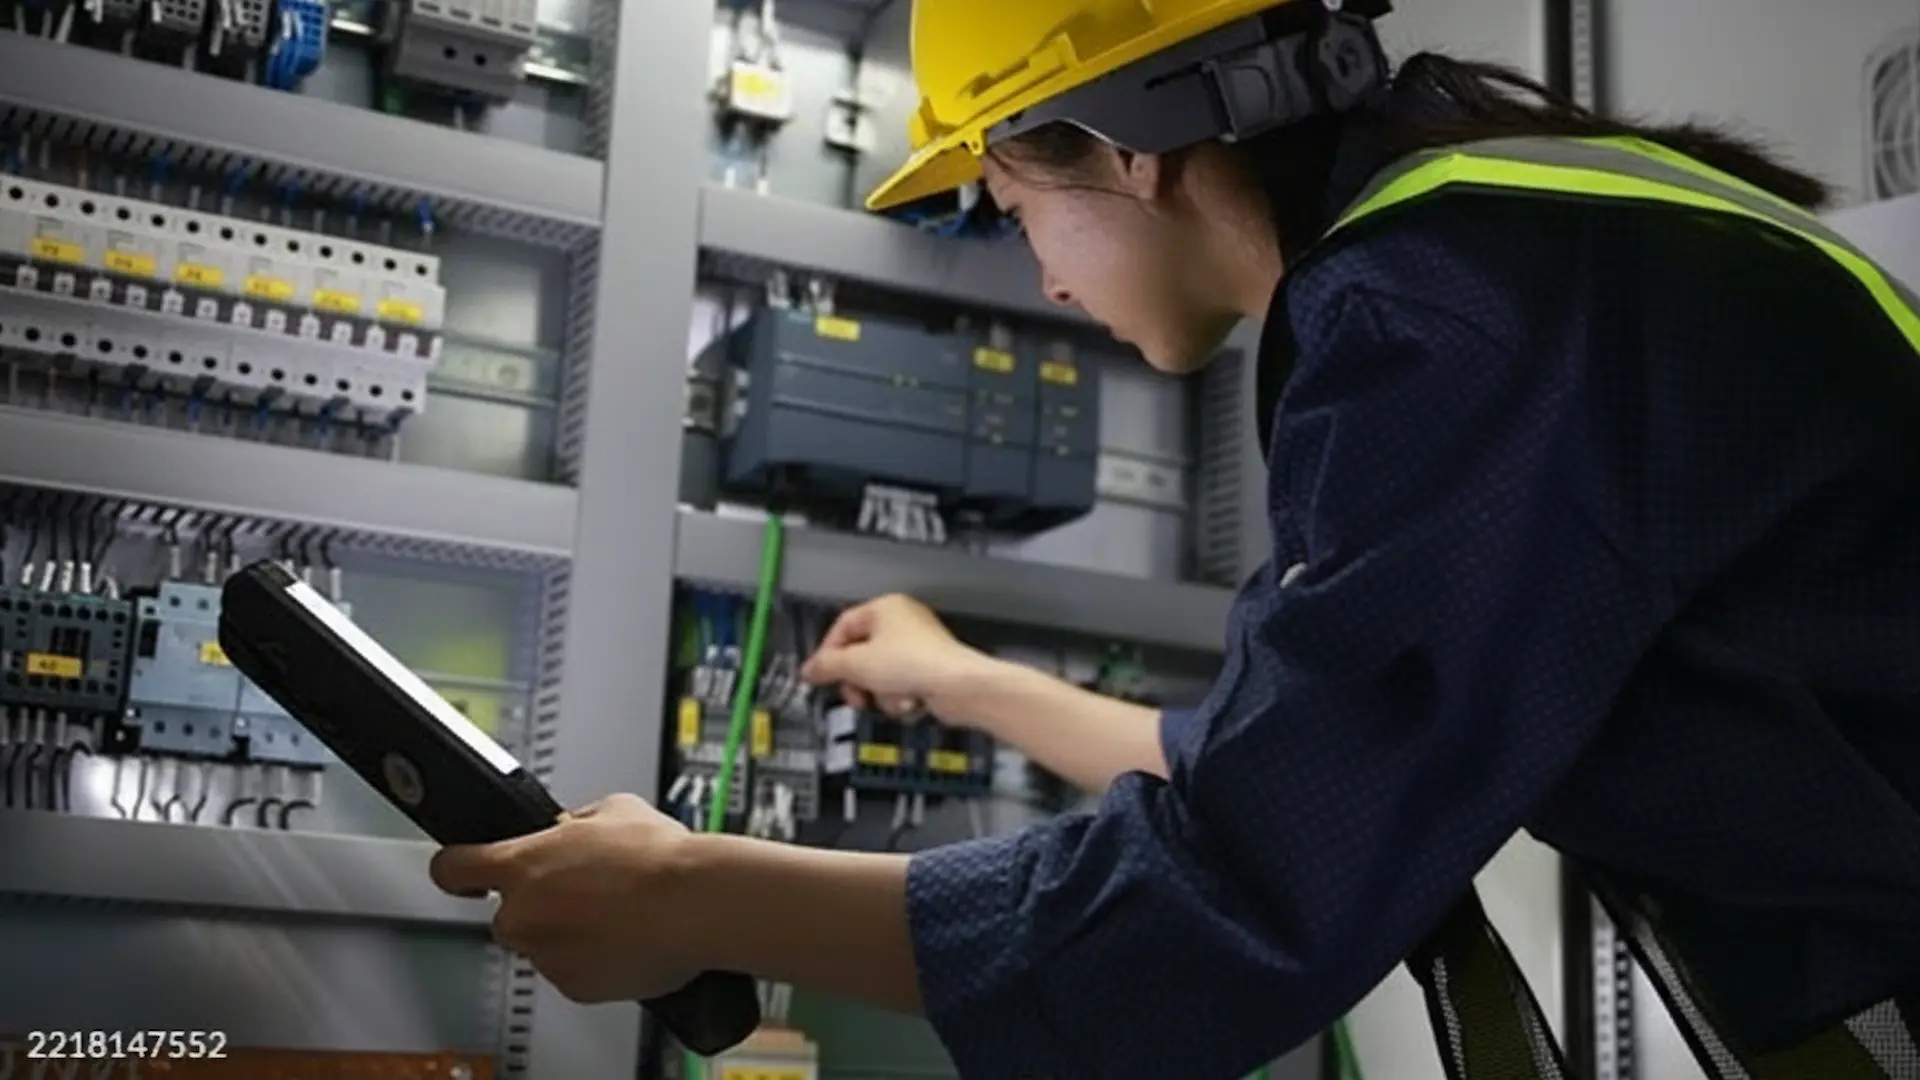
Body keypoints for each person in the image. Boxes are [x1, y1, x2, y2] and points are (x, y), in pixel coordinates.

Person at [427, 1, 1920, 1076]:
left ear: (1119, 148)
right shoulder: (1520, 241)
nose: (1049, 281)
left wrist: (685, 893)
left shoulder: (1440, 313)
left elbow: (1247, 888)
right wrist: (972, 682)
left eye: (1012, 203)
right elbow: (1305, 776)